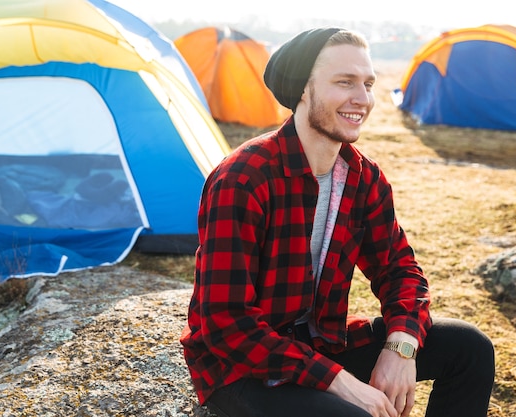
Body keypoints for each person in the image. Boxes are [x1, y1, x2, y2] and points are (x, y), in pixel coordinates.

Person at [180, 27, 495, 417]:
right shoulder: (244, 178)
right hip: (242, 370)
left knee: (470, 349)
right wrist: (341, 383)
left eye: (368, 83)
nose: (362, 99)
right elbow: (226, 323)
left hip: (320, 347)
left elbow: (399, 270)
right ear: (302, 89)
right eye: (344, 82)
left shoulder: (364, 178)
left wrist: (401, 345)